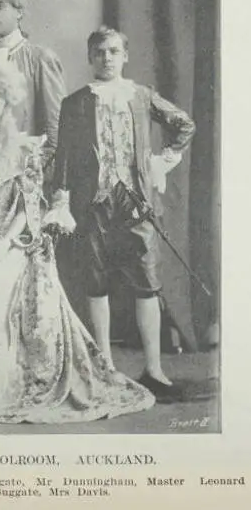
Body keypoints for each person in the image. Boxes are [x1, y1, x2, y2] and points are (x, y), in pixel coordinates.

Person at [0, 59, 155, 423]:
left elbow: (28, 208)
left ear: (7, 102)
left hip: (10, 242)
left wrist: (2, 243)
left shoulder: (22, 150)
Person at [48, 25, 196, 403]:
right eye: (99, 52)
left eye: (114, 51)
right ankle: (105, 369)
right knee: (96, 283)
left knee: (147, 282)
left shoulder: (141, 96)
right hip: (94, 205)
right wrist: (61, 201)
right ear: (90, 57)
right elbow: (63, 158)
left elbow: (184, 124)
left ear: (125, 56)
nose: (107, 58)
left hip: (135, 204)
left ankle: (154, 369)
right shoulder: (75, 103)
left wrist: (160, 162)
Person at [0, 0, 66, 175]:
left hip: (29, 173)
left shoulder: (40, 59)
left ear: (19, 13)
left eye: (0, 6)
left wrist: (33, 168)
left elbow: (57, 128)